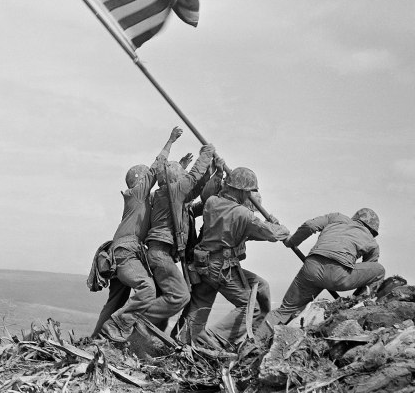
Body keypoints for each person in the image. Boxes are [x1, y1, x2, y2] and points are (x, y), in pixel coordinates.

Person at [179, 166, 290, 347]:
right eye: (248, 193)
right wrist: (281, 227)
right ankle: (213, 339)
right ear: (241, 191)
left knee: (201, 305)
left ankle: (184, 340)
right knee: (251, 308)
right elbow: (270, 233)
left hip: (203, 264)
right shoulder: (243, 214)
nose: (249, 196)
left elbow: (245, 232)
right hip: (221, 268)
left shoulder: (212, 203)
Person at [95, 127, 183, 343]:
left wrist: (181, 168)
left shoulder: (141, 201)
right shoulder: (136, 194)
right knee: (147, 288)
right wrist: (170, 141)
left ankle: (96, 339)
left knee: (115, 300)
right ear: (140, 180)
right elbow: (156, 169)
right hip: (126, 252)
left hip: (121, 253)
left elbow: (168, 190)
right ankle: (118, 326)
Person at [258, 208, 385, 339]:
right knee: (379, 270)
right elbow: (368, 272)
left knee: (284, 310)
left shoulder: (337, 217)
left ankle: (253, 343)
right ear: (373, 230)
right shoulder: (372, 242)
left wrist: (292, 242)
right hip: (339, 276)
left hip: (311, 268)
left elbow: (310, 225)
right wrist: (354, 299)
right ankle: (359, 306)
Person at [140, 141, 216, 330]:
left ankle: (145, 335)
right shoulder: (173, 191)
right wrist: (206, 153)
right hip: (160, 254)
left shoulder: (164, 194)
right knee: (180, 296)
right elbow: (194, 176)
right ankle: (137, 319)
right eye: (181, 176)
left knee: (164, 301)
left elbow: (196, 188)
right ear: (176, 179)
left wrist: (212, 172)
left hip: (158, 254)